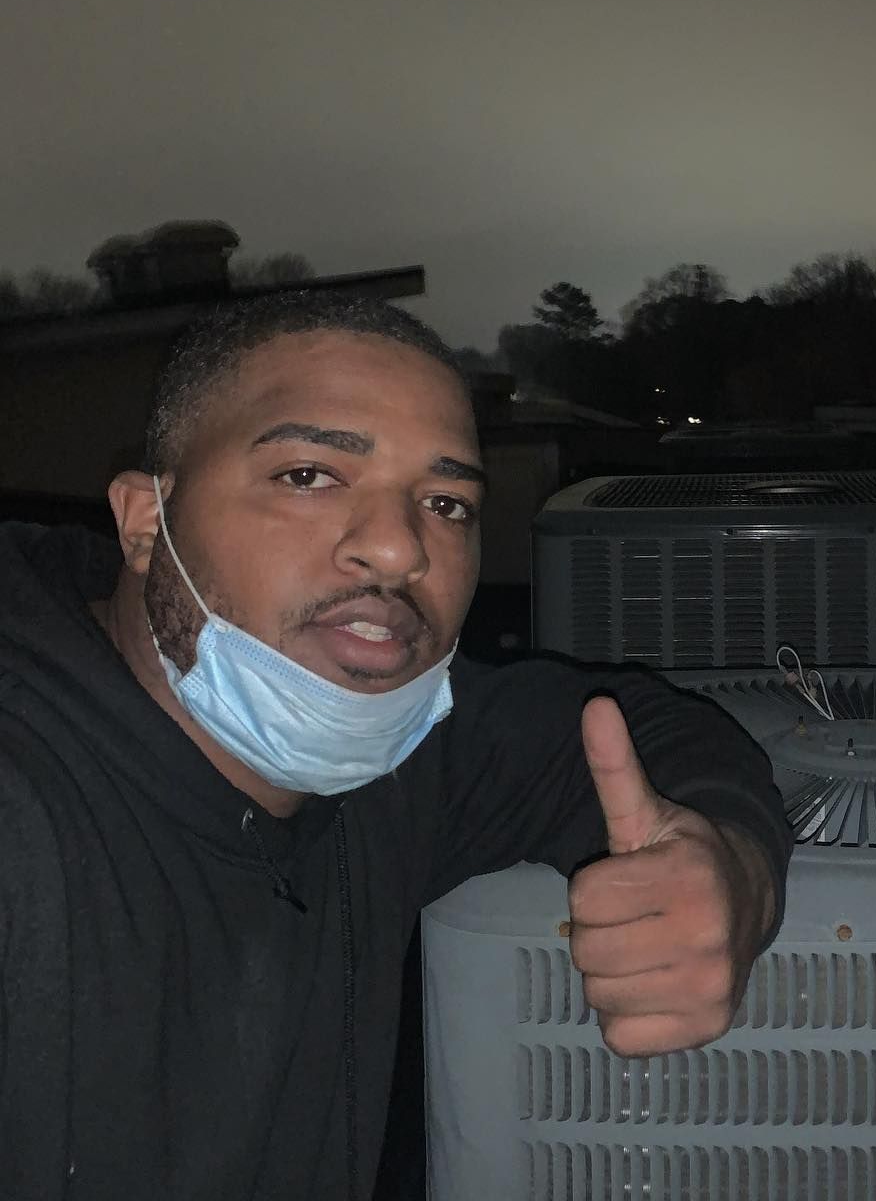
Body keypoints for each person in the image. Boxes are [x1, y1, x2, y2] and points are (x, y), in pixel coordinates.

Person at [0, 292, 791, 1200]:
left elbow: (643, 729)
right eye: (308, 475)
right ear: (146, 523)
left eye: (446, 502)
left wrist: (734, 874)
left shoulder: (395, 756)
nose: (397, 548)